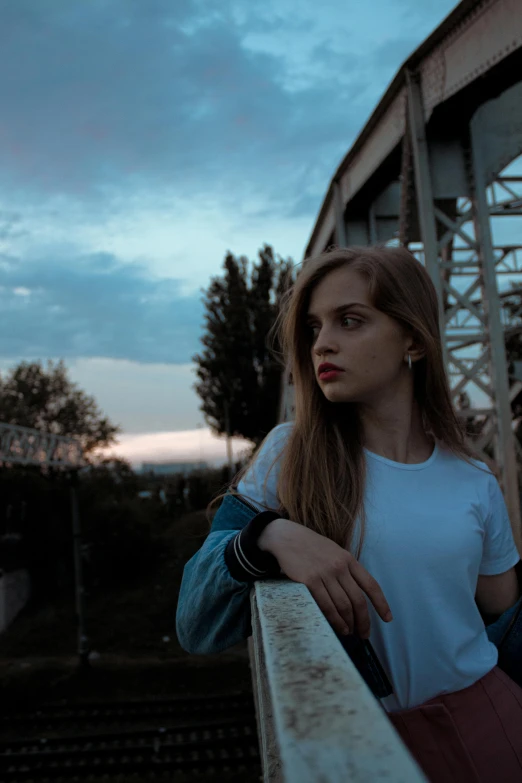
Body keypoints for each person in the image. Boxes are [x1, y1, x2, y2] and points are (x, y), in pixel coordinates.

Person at [176, 246, 522, 782]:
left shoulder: (473, 479)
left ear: (413, 340)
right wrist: (269, 535)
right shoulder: (290, 454)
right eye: (314, 327)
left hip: (490, 722)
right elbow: (195, 624)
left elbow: (501, 609)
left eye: (350, 321)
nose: (322, 344)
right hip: (358, 736)